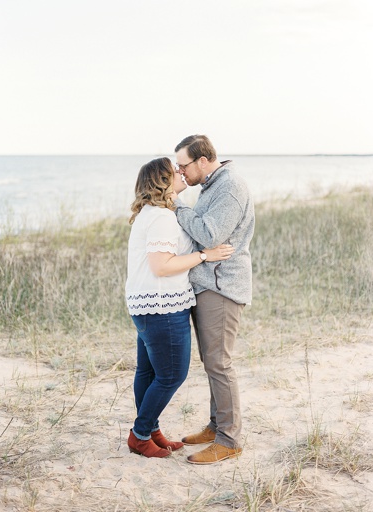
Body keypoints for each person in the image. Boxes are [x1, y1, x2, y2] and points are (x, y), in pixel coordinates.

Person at [125, 157, 234, 458]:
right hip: (162, 306)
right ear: (162, 180)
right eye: (174, 170)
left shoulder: (155, 212)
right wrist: (204, 256)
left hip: (147, 305)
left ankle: (150, 429)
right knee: (171, 375)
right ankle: (140, 434)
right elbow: (162, 266)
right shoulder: (160, 217)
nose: (180, 172)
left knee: (147, 372)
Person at [170, 134, 254, 465]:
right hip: (209, 284)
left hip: (222, 287)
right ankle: (216, 425)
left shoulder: (229, 187)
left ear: (203, 161)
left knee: (219, 362)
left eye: (183, 165)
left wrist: (177, 205)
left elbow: (208, 235)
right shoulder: (212, 186)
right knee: (212, 361)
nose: (180, 171)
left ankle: (229, 440)